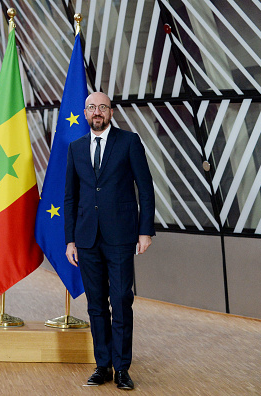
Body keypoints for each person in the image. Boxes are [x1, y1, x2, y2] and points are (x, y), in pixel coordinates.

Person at [64, 92, 155, 390]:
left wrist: (145, 231)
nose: (97, 112)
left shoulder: (129, 142)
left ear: (111, 112)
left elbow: (145, 188)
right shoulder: (76, 148)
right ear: (86, 113)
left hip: (121, 237)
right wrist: (70, 241)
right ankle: (102, 365)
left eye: (102, 107)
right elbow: (70, 197)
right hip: (86, 238)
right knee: (96, 305)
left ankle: (122, 368)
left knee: (120, 300)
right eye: (92, 107)